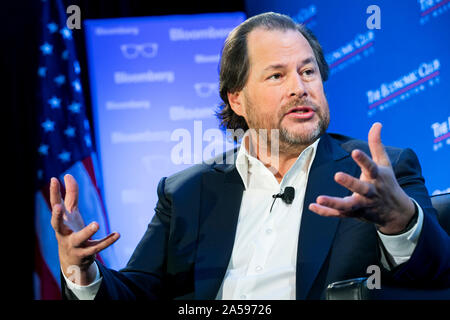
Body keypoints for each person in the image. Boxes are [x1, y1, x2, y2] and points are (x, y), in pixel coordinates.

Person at [50, 12, 449, 300]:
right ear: (237, 99)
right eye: (277, 75)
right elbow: (137, 293)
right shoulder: (186, 191)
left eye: (308, 72)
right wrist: (82, 271)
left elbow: (437, 274)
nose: (299, 87)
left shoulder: (381, 172)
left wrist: (401, 221)